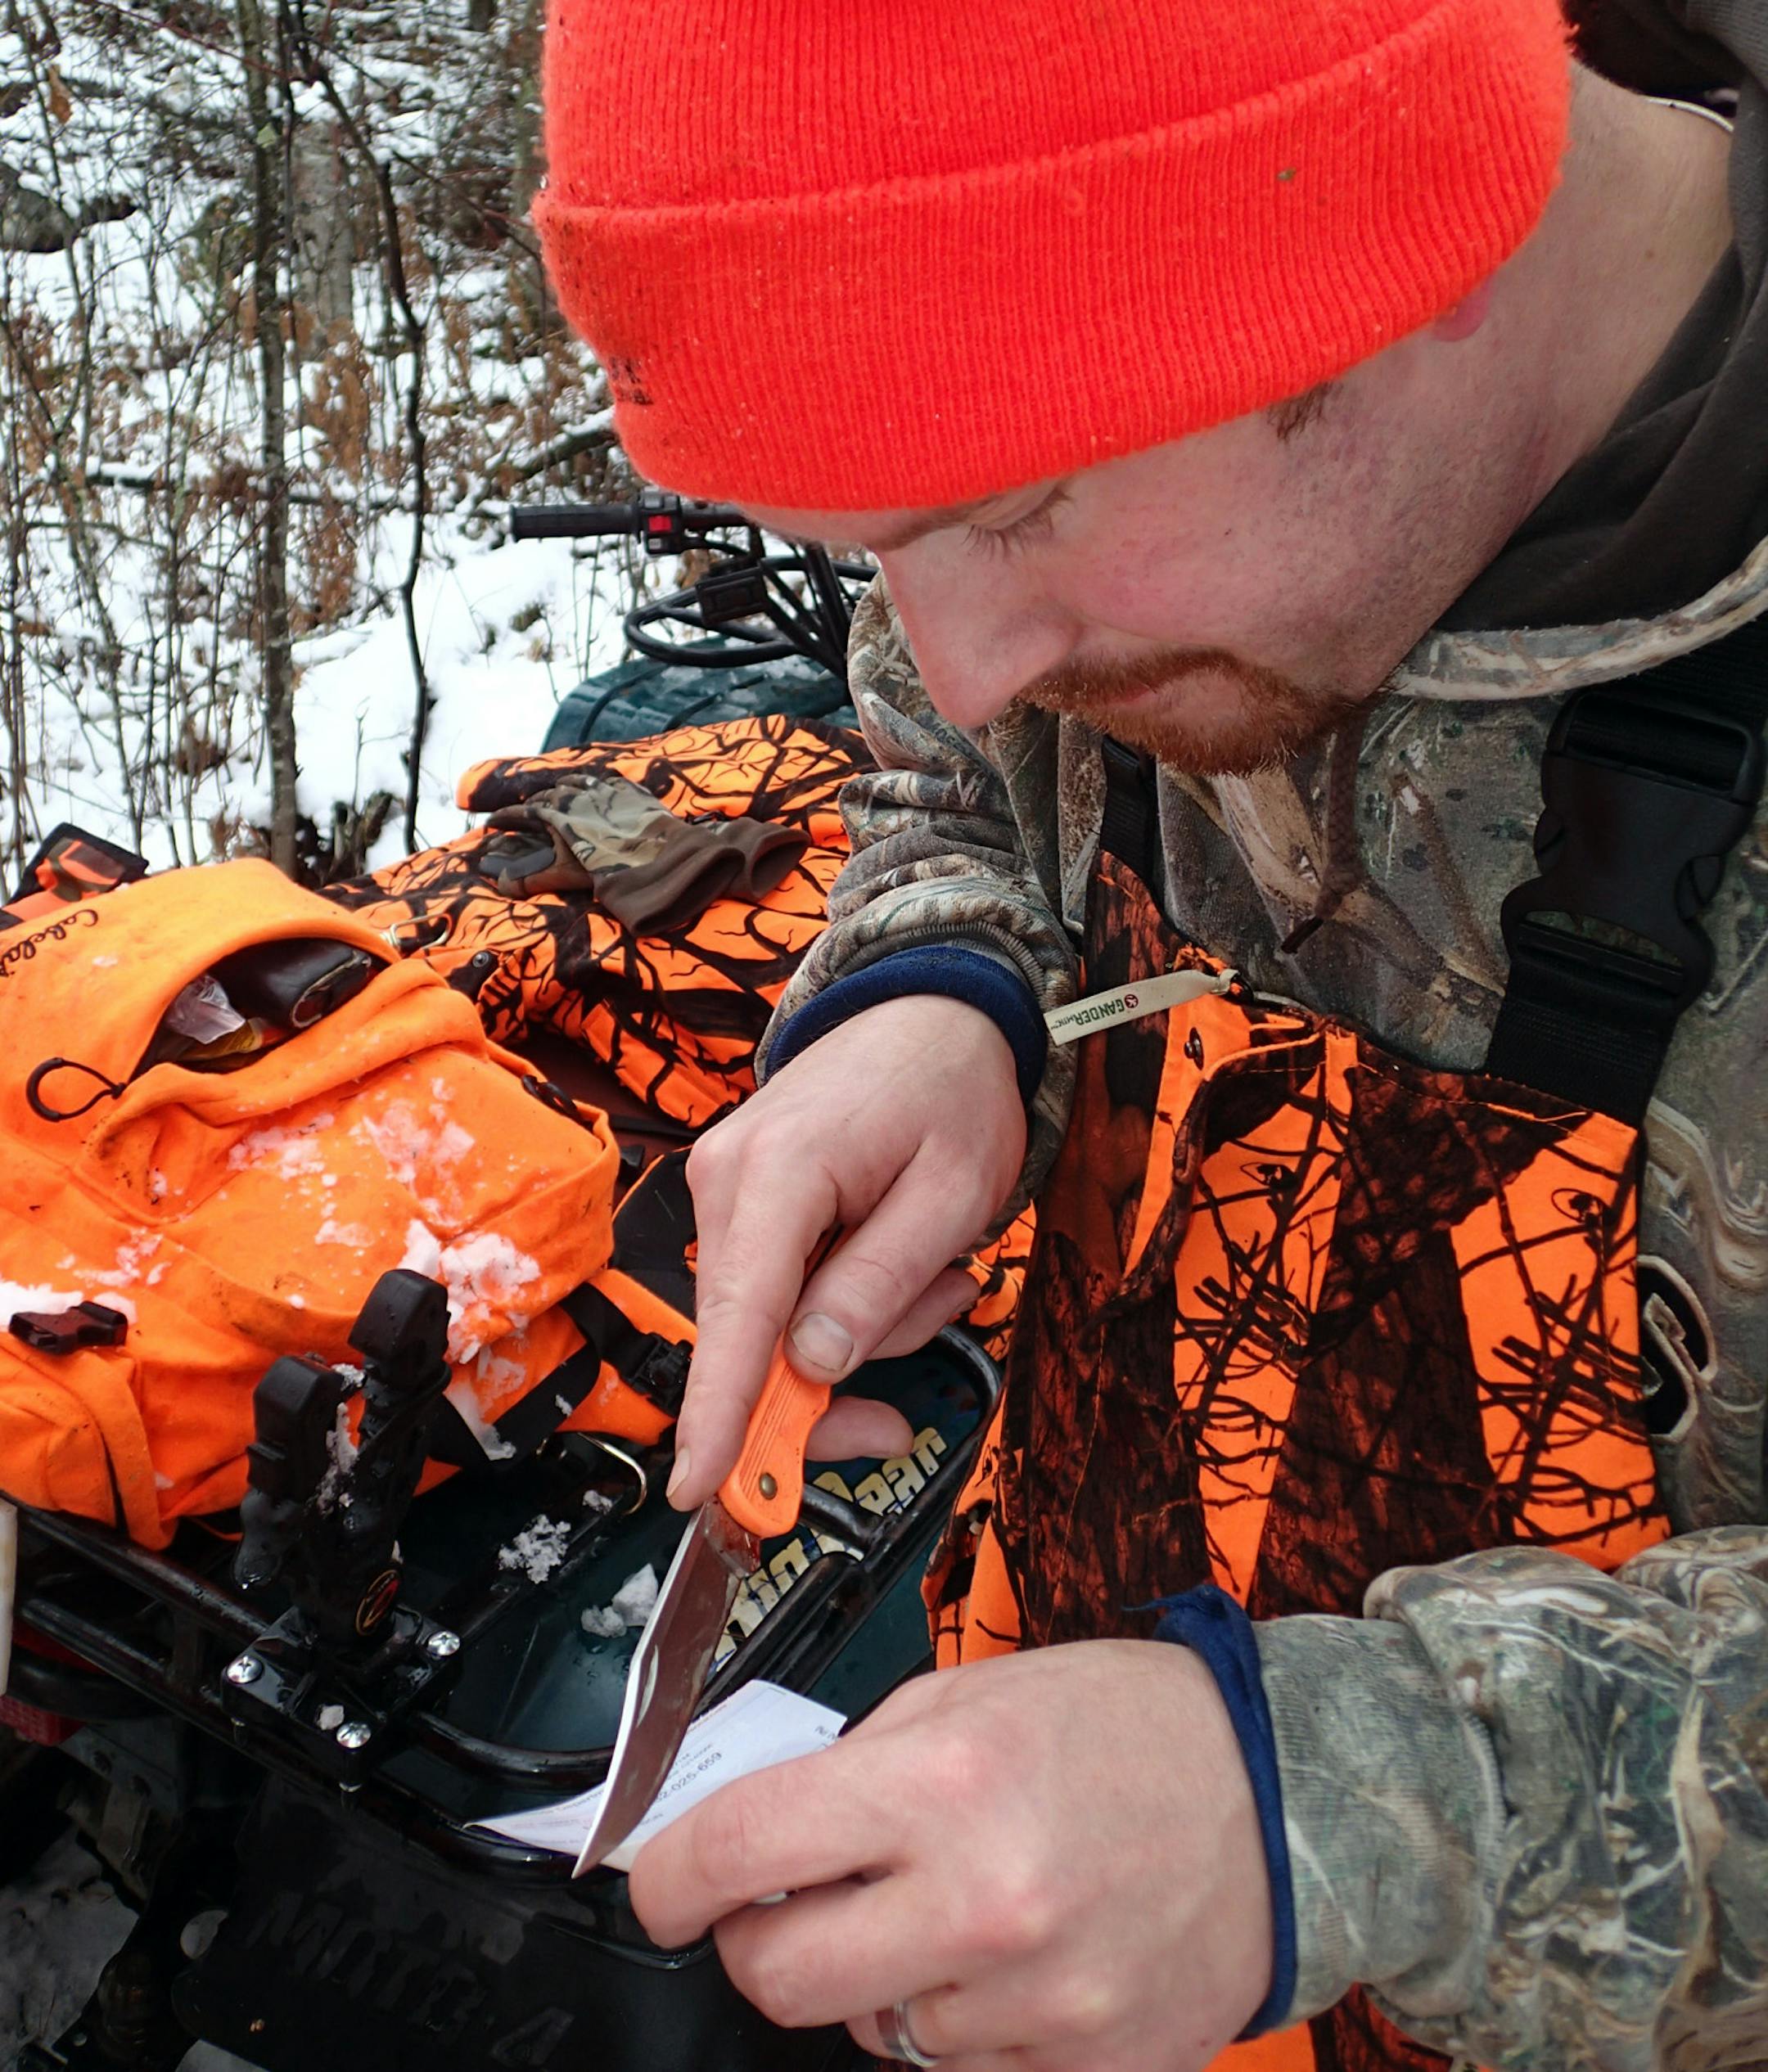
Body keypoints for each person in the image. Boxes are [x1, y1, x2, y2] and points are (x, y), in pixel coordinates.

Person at [534, 2, 1768, 2066]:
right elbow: (937, 732)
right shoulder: (1086, 526)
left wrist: (1375, 1811)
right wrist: (936, 987)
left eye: (1018, 510)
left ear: (1417, 248)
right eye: (870, 547)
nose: (970, 653)